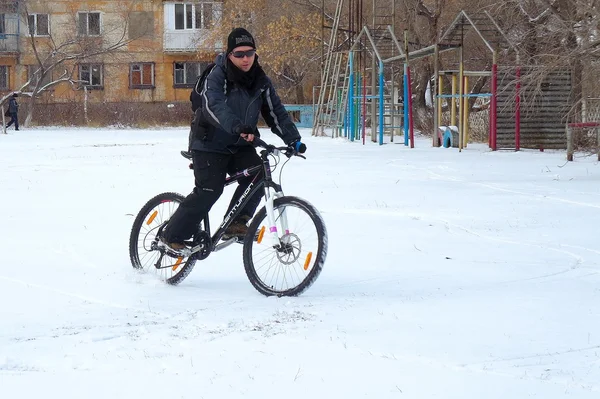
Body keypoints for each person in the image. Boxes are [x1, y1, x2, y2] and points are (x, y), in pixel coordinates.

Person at [161, 27, 306, 251]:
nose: (245, 58)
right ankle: (171, 236)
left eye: (250, 53)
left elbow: (275, 112)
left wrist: (293, 139)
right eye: (239, 54)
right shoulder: (217, 75)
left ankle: (236, 223)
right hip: (208, 143)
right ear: (229, 55)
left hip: (239, 144)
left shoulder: (261, 80)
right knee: (210, 190)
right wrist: (237, 125)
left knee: (259, 174)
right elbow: (214, 105)